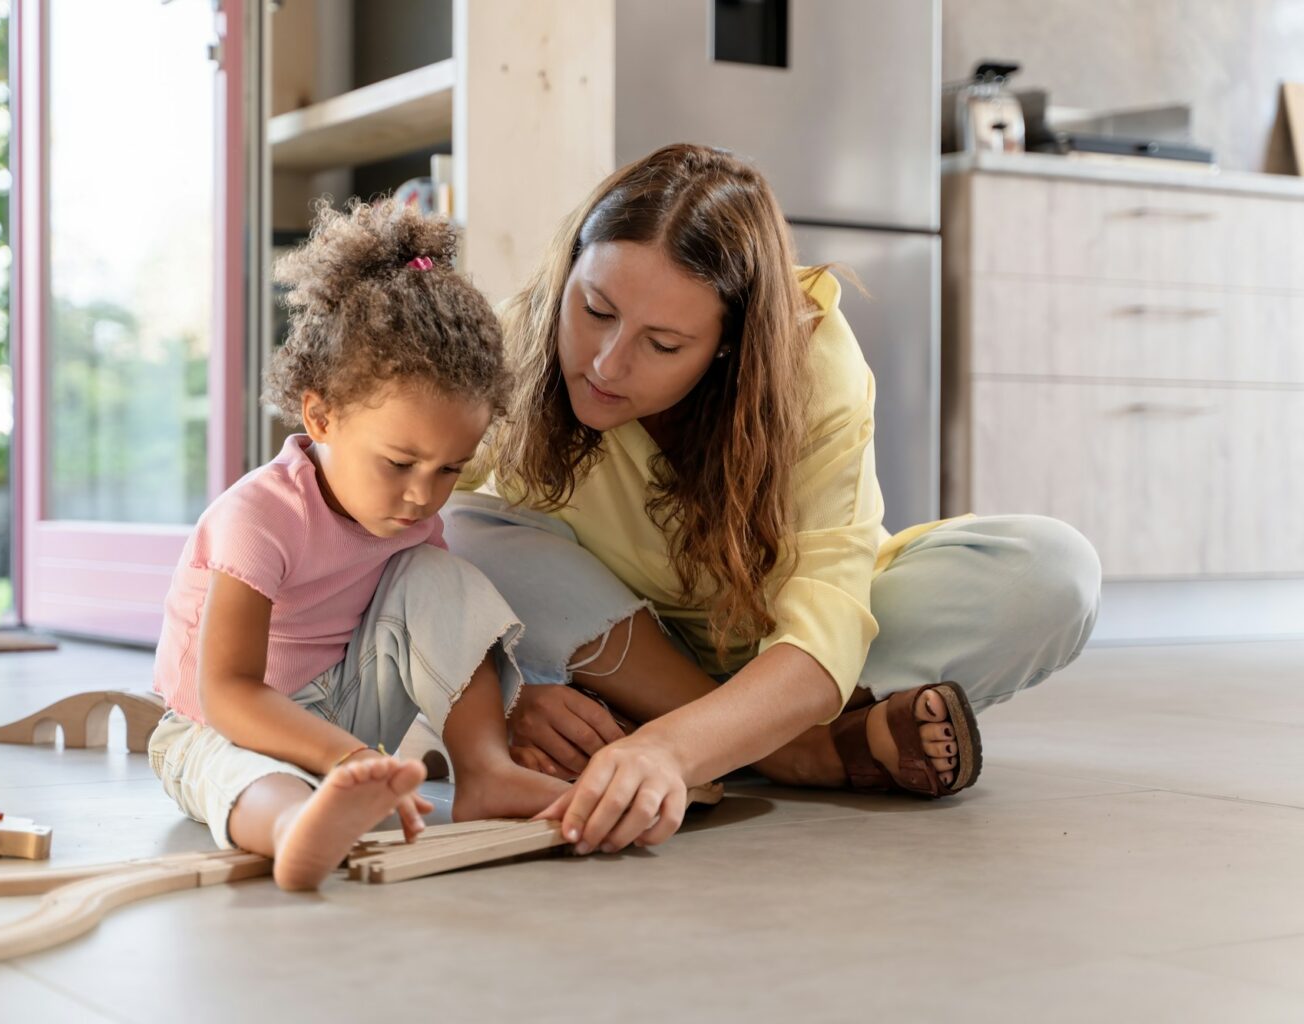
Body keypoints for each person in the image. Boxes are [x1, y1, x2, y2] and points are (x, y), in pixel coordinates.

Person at [444, 143, 1102, 857]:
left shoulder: (812, 363)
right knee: (458, 526)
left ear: (730, 347)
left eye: (663, 345)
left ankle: (723, 731)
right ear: (571, 267)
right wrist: (504, 700)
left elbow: (822, 635)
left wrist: (669, 748)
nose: (606, 363)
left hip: (772, 644)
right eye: (595, 309)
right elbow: (388, 559)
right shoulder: (517, 337)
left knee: (1051, 573)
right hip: (602, 654)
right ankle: (790, 748)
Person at [147, 201, 567, 890]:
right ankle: (293, 830)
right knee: (244, 769)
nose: (422, 496)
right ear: (322, 415)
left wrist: (354, 752)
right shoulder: (259, 517)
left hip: (344, 712)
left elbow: (427, 632)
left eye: (449, 469)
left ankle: (486, 770)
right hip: (223, 722)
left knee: (439, 571)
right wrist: (342, 758)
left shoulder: (409, 516)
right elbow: (225, 692)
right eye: (399, 464)